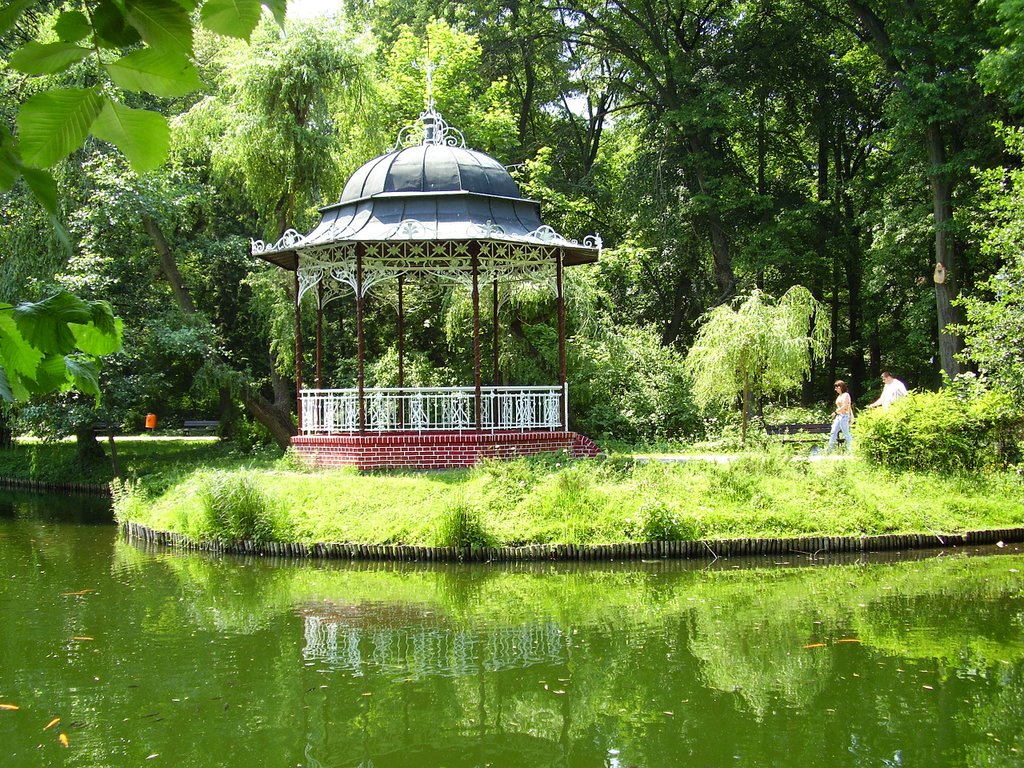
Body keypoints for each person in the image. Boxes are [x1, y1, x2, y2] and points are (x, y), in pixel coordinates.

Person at [828, 379, 853, 452]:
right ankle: (829, 450)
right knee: (833, 432)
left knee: (846, 433)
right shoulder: (839, 396)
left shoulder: (846, 395)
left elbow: (845, 406)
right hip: (839, 417)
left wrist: (835, 412)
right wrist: (836, 414)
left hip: (844, 416)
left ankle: (850, 450)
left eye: (836, 387)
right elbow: (839, 407)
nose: (835, 389)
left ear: (840, 387)